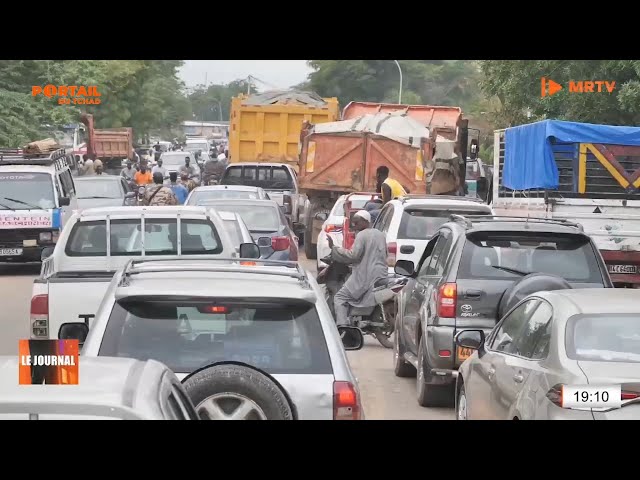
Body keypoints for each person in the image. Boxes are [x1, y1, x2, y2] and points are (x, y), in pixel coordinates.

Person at [328, 210, 388, 327]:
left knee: (340, 298)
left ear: (366, 221)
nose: (355, 225)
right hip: (381, 275)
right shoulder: (380, 234)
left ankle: (342, 327)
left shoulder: (362, 235)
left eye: (357, 222)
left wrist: (334, 248)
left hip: (365, 276)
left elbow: (353, 255)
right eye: (354, 222)